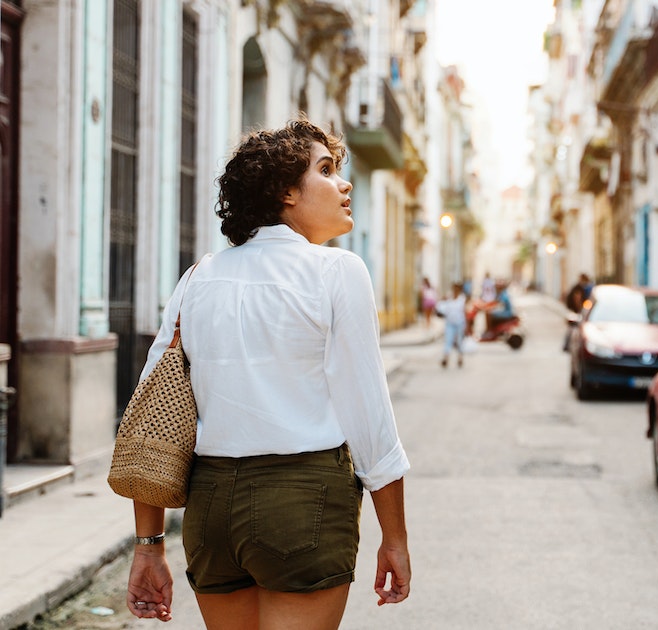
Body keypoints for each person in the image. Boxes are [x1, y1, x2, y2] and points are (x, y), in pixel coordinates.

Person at [125, 118, 411, 629]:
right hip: (302, 501)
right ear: (285, 192)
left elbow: (154, 418)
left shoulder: (198, 278)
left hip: (211, 510)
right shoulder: (337, 272)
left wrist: (148, 547)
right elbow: (370, 418)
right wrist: (395, 537)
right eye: (326, 170)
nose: (344, 184)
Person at [436, 282, 467, 368]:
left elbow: (464, 313)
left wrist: (466, 326)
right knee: (448, 340)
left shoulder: (462, 299)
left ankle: (460, 358)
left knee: (460, 341)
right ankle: (446, 358)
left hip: (459, 323)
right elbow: (441, 309)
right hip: (449, 323)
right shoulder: (448, 299)